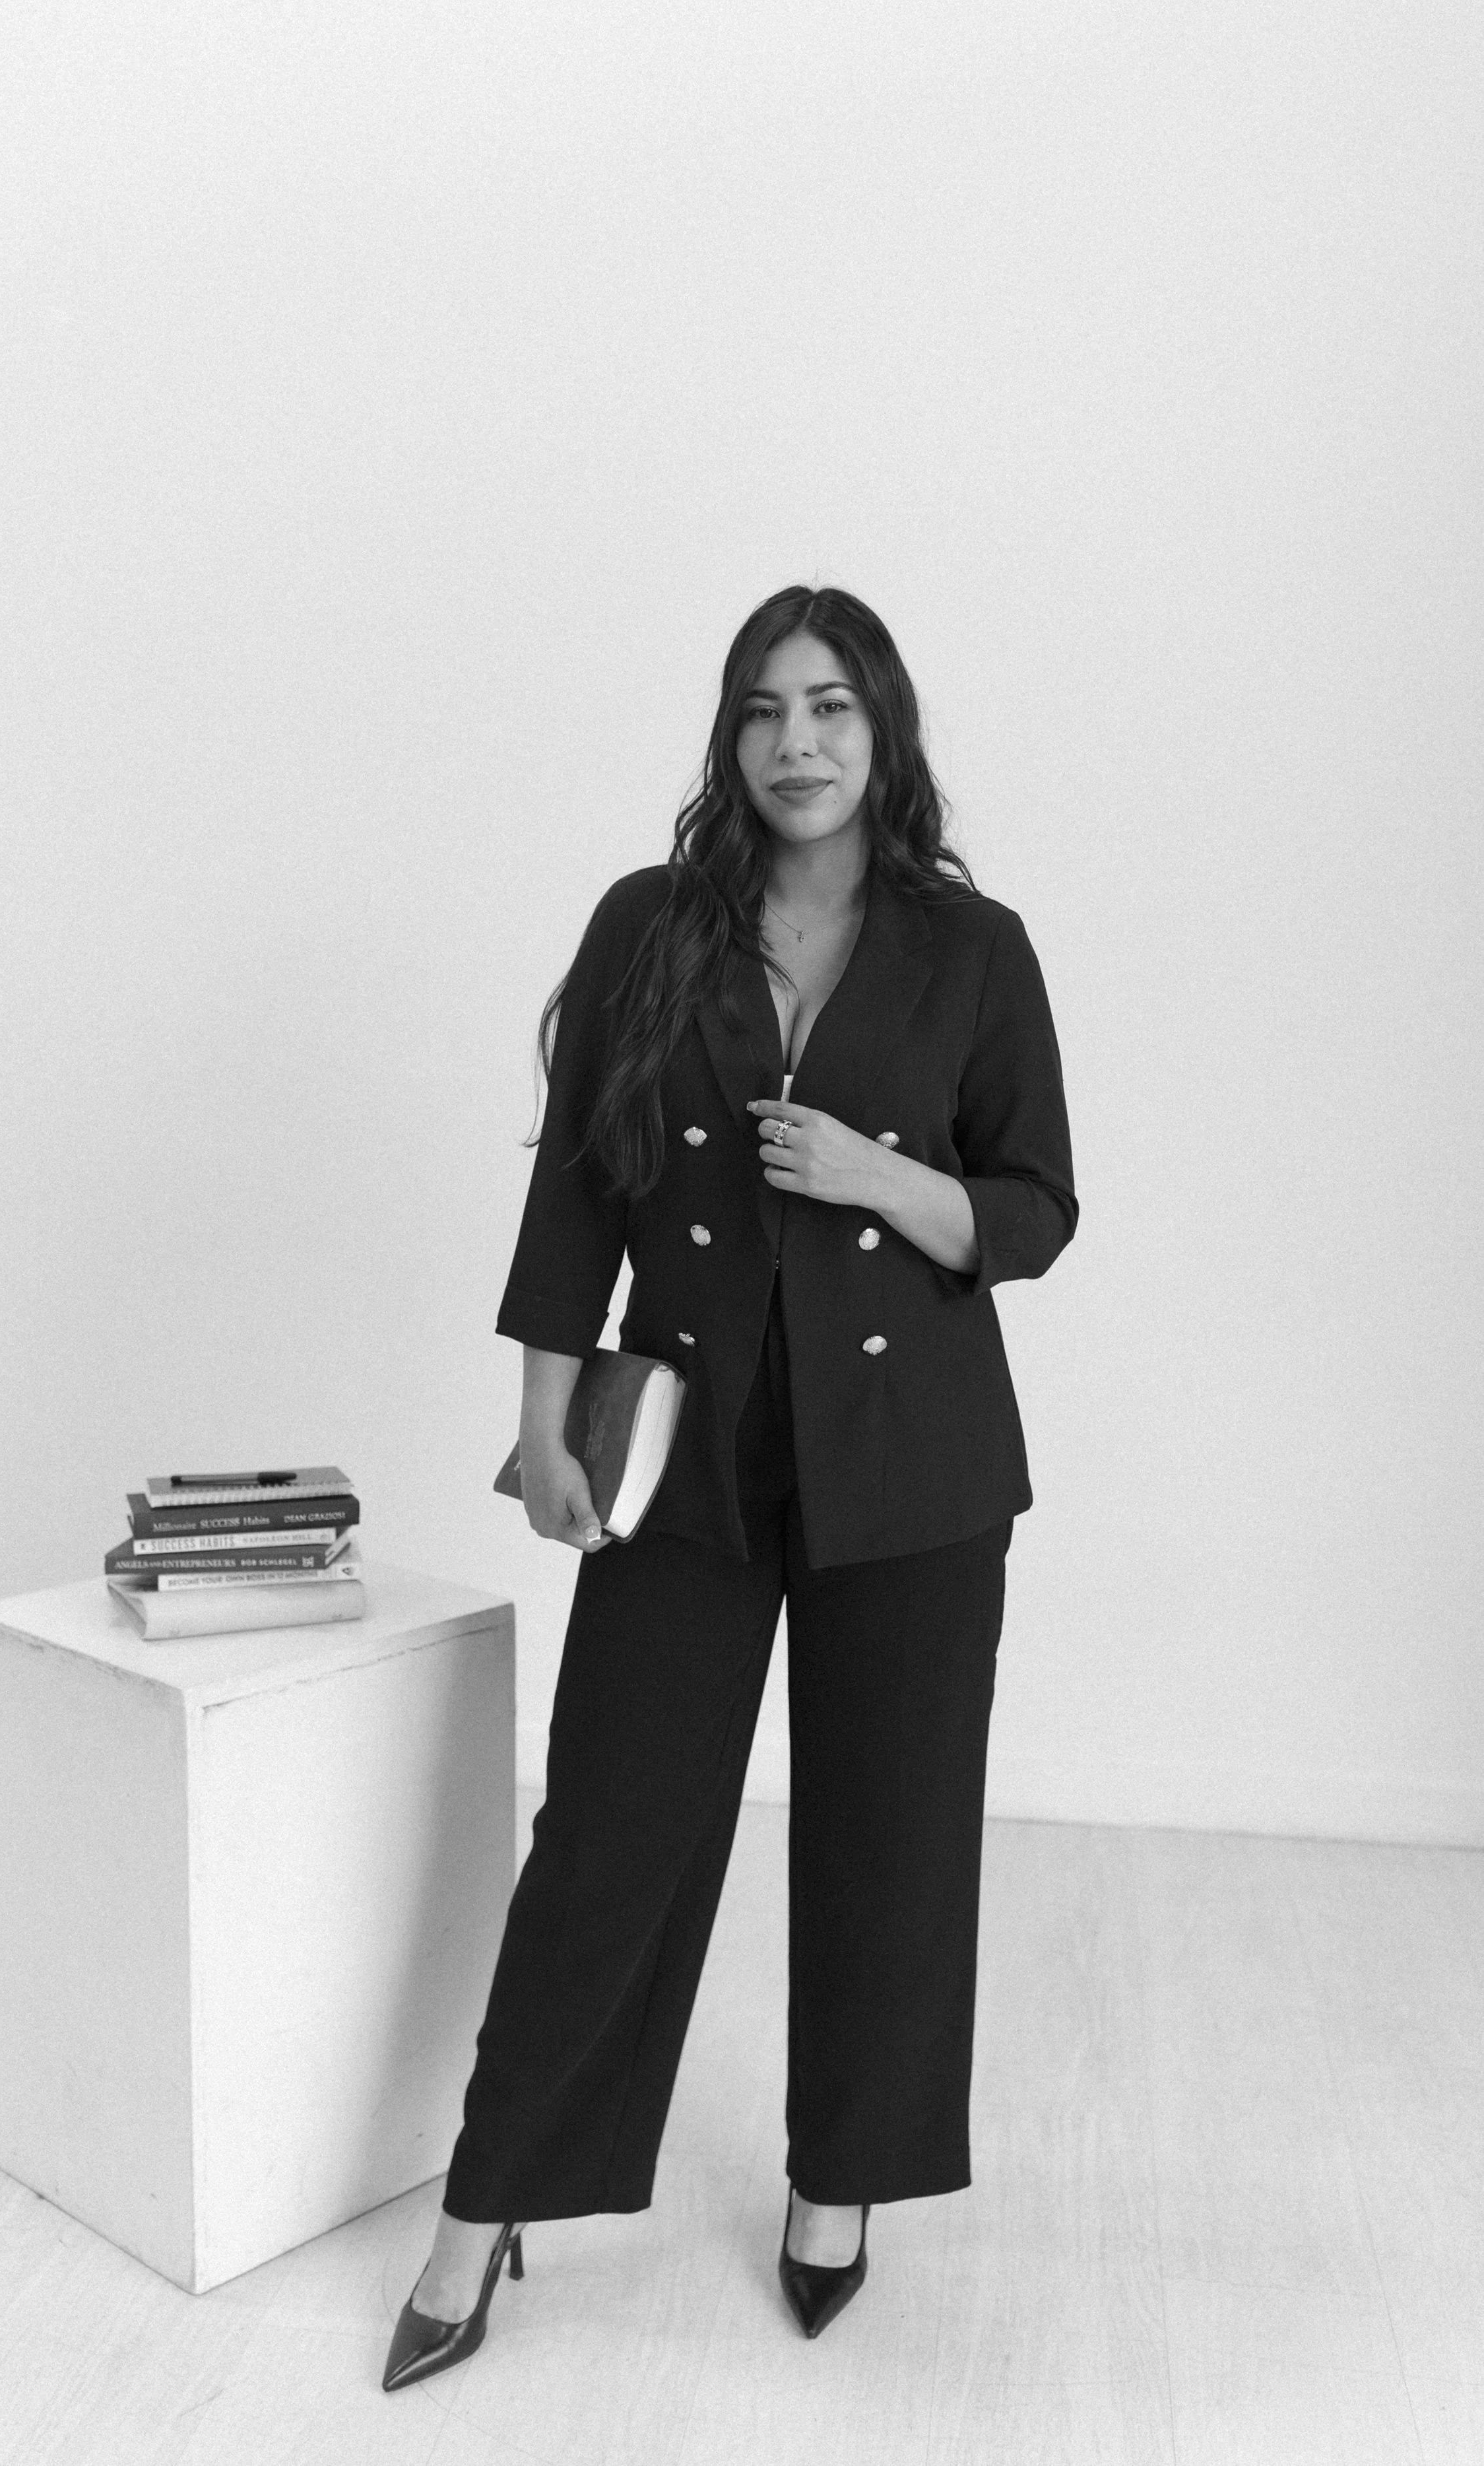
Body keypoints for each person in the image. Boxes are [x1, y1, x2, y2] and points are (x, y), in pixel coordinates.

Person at [383, 584, 1078, 2391]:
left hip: (912, 1469)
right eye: (764, 709)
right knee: (608, 1830)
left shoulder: (970, 949)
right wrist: (543, 1424)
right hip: (690, 1457)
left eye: (830, 706)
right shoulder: (650, 926)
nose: (797, 742)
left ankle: (841, 2181)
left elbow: (1031, 1209)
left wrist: (872, 1171)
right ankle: (488, 2198)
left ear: (884, 728)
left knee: (888, 1837)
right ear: (728, 734)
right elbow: (575, 1194)